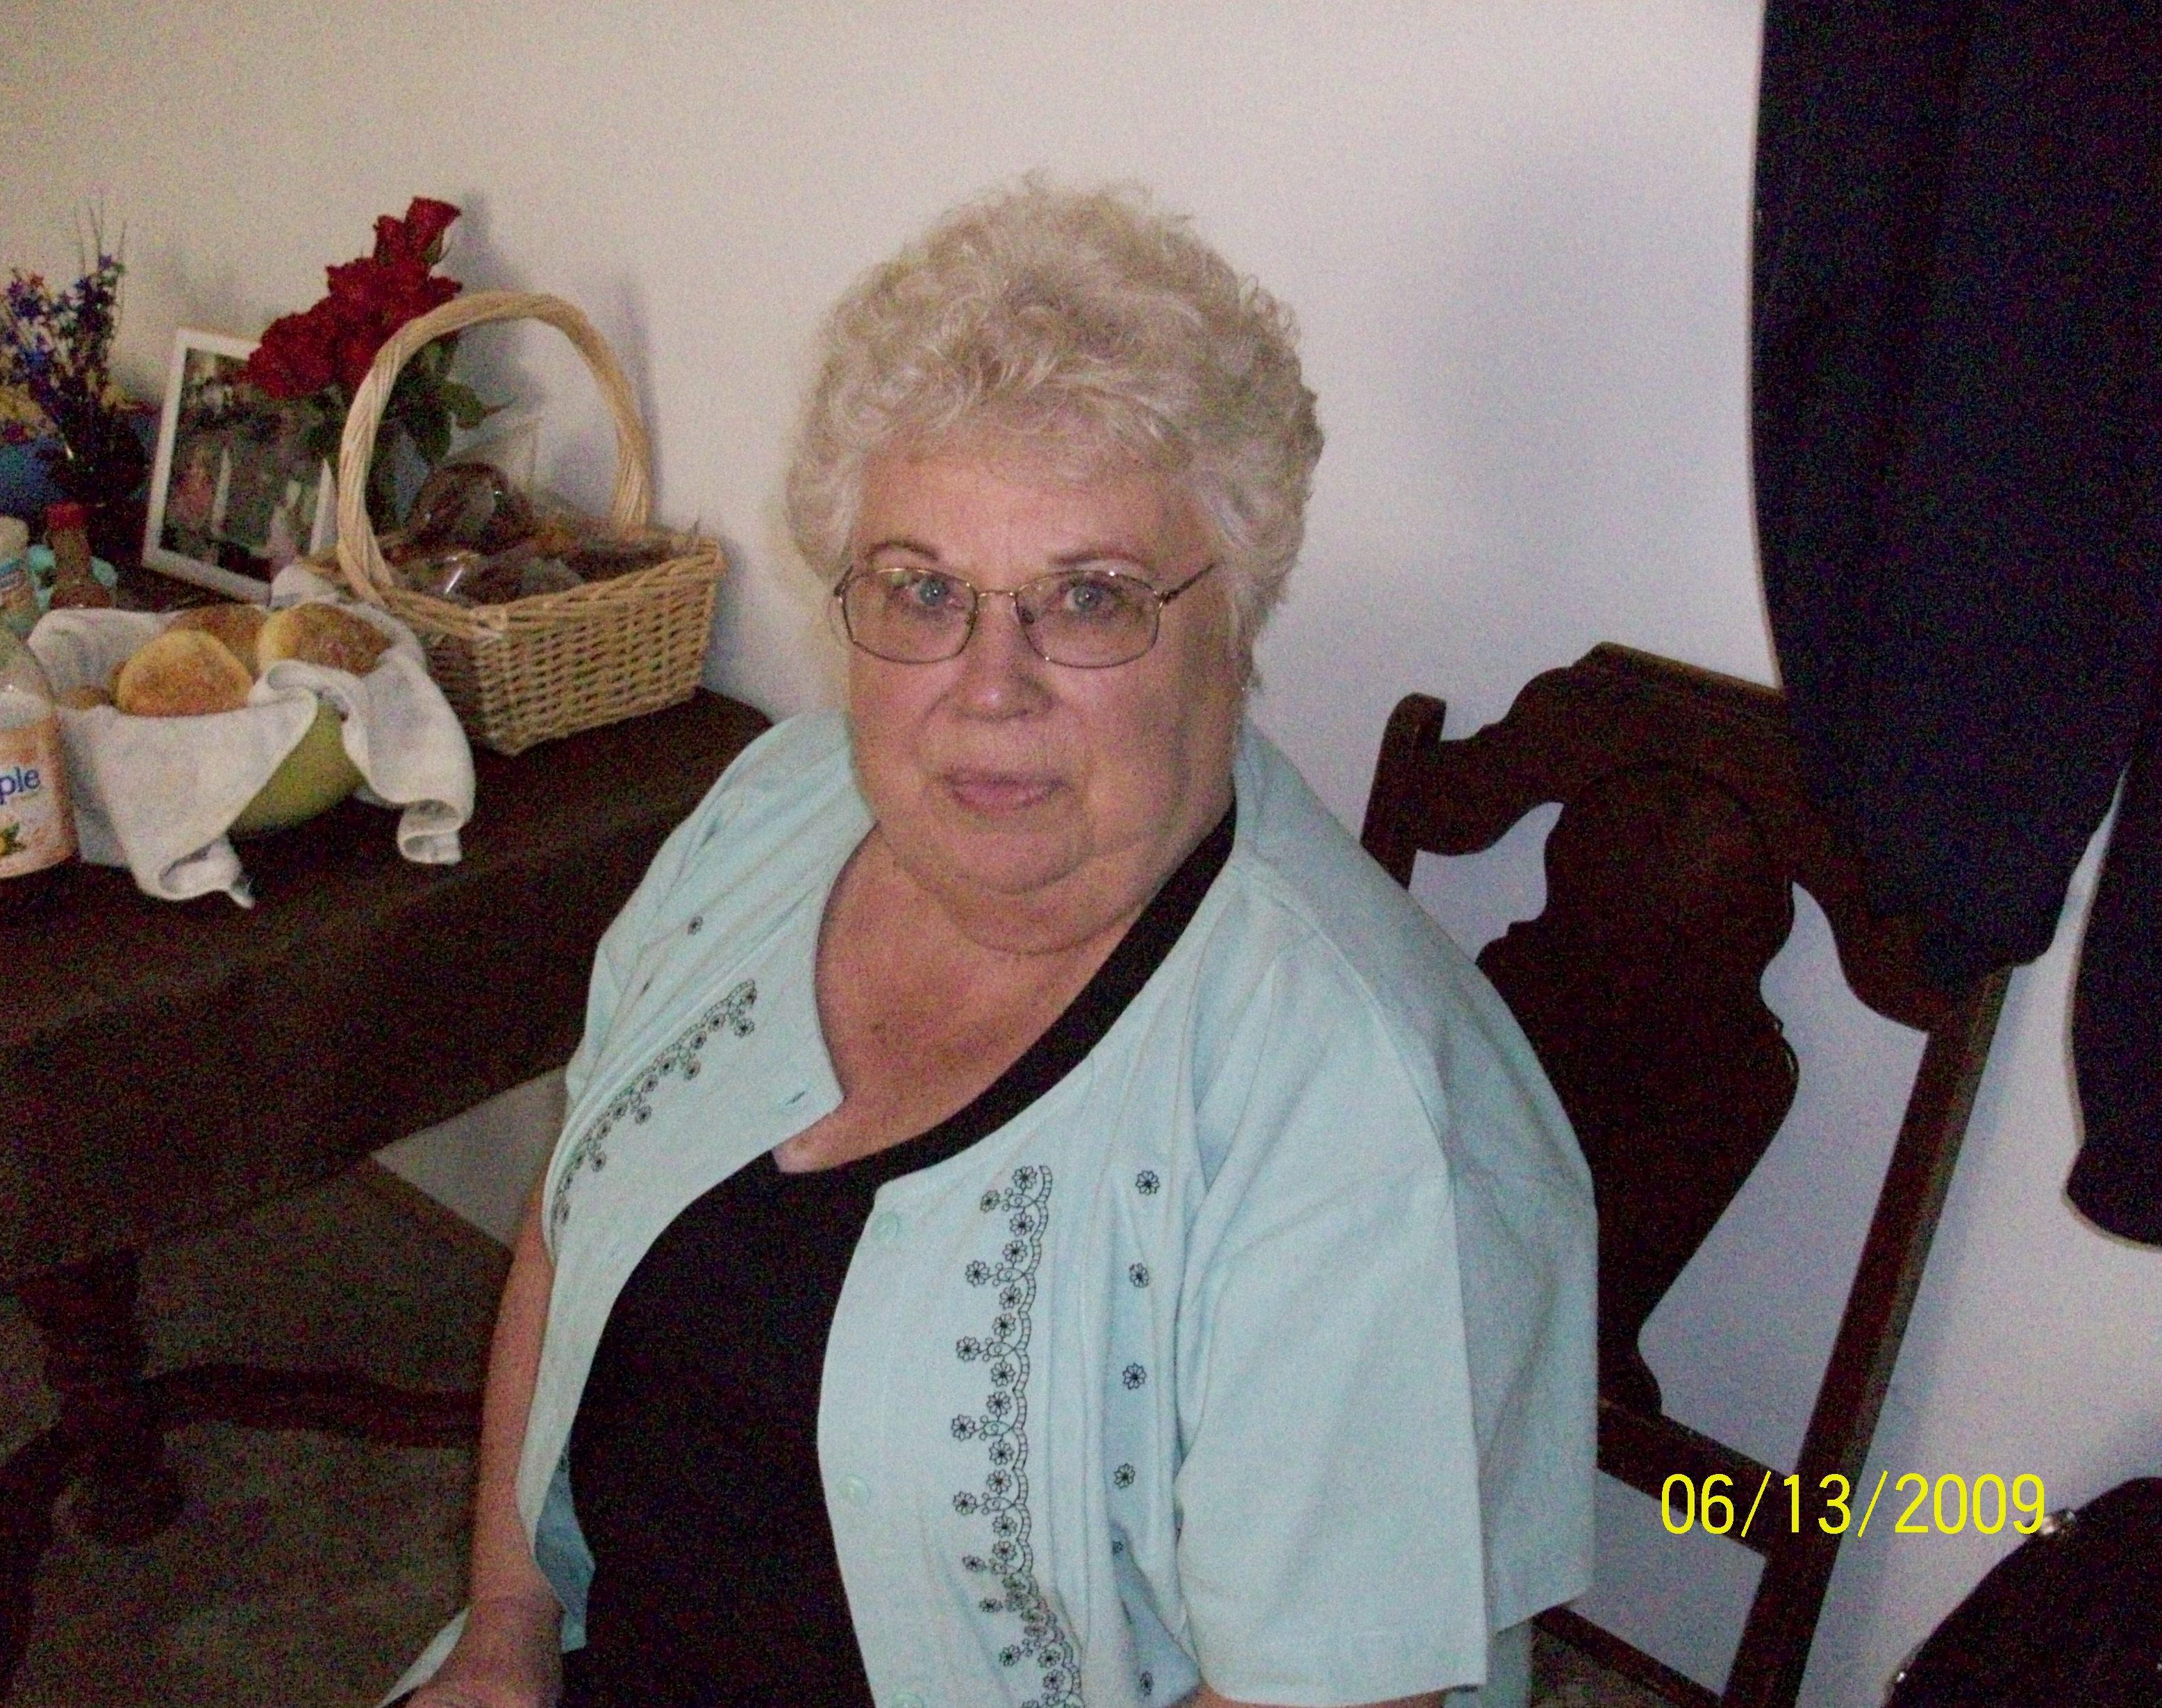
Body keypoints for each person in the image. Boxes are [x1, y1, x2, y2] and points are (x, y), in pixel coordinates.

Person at [391, 181, 1594, 1708]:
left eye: (1084, 599)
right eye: (922, 589)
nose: (985, 685)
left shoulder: (1358, 1115)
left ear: (1237, 618)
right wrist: (502, 1626)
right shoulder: (772, 810)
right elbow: (573, 1227)